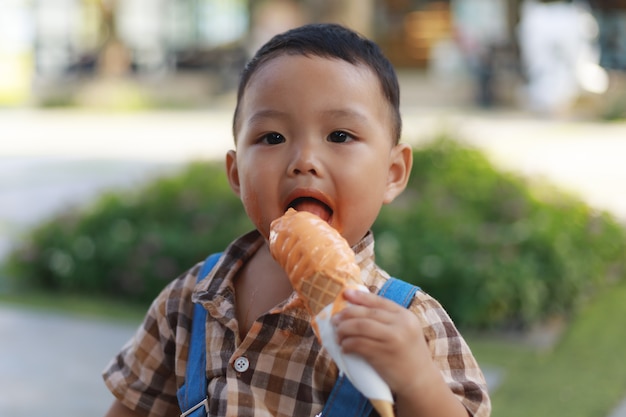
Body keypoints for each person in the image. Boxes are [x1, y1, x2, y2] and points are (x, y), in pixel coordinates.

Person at [102, 23, 491, 417]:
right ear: (237, 175)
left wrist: (417, 381)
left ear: (392, 173)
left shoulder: (412, 323)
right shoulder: (188, 303)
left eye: (339, 135)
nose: (304, 161)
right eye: (272, 138)